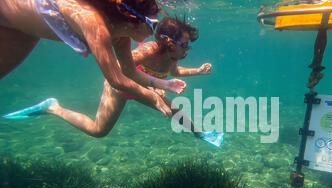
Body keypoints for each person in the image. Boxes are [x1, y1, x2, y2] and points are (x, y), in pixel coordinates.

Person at [3, 17, 224, 147]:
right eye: (184, 45)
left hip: (148, 88)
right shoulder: (149, 50)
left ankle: (202, 134)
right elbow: (118, 70)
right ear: (167, 41)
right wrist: (150, 90)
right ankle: (53, 107)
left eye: (188, 46)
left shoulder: (172, 56)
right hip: (119, 87)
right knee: (98, 130)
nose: (187, 49)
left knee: (175, 110)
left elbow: (175, 71)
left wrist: (198, 71)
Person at [0, 0, 192, 117]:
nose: (154, 33)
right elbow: (115, 79)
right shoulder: (95, 25)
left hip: (23, 27)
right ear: (131, 18)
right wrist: (152, 97)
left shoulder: (121, 35)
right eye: (153, 25)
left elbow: (129, 71)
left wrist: (164, 84)